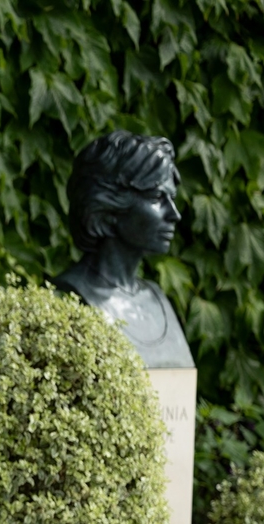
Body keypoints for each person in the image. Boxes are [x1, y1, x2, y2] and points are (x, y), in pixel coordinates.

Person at [53, 130, 194, 368]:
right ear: (107, 207)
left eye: (172, 198)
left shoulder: (157, 299)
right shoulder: (69, 301)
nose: (175, 214)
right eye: (157, 197)